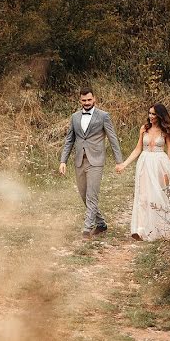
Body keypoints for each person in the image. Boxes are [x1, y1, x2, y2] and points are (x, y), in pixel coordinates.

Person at [115, 103, 170, 241]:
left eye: (153, 114)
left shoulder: (165, 131)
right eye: (149, 113)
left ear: (160, 115)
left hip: (160, 164)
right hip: (144, 163)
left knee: (160, 194)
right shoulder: (144, 129)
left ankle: (161, 227)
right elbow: (138, 149)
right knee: (143, 195)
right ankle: (141, 229)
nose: (150, 116)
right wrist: (124, 164)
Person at [59, 87, 124, 237]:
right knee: (83, 194)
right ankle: (101, 224)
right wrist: (63, 161)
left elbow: (112, 138)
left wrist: (119, 161)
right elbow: (69, 140)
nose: (87, 102)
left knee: (92, 195)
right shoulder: (74, 117)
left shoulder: (103, 116)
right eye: (84, 100)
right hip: (79, 161)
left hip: (96, 161)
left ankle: (87, 229)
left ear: (94, 99)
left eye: (89, 100)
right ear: (80, 100)